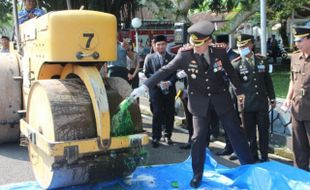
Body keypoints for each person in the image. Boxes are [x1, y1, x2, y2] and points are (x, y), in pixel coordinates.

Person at [131, 21, 254, 188]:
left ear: (208, 41)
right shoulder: (185, 55)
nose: (195, 48)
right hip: (199, 101)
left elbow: (231, 72)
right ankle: (197, 174)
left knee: (235, 132)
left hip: (220, 98)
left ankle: (249, 168)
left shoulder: (219, 52)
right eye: (193, 44)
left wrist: (239, 91)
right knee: (198, 137)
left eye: (199, 44)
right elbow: (165, 70)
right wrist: (145, 86)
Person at [232, 34, 276, 162]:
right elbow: (235, 86)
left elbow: (267, 80)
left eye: (244, 46)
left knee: (263, 131)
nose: (242, 49)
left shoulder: (262, 60)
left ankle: (264, 156)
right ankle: (253, 157)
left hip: (261, 103)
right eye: (240, 47)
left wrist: (272, 97)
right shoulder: (236, 64)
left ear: (251, 45)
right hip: (246, 105)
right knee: (249, 133)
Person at [282, 22, 310, 171]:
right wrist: (287, 98)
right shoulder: (295, 57)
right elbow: (293, 79)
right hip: (297, 108)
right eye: (296, 41)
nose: (297, 44)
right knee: (299, 145)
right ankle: (300, 175)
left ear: (309, 39)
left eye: (300, 40)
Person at [143, 35, 177, 148]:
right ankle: (156, 137)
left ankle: (168, 135)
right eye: (158, 45)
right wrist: (156, 81)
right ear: (155, 46)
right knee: (157, 112)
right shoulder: (149, 57)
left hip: (169, 89)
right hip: (155, 89)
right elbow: (146, 73)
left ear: (166, 45)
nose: (160, 47)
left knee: (169, 112)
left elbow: (176, 73)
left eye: (163, 44)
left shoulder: (173, 57)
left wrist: (170, 82)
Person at [214, 34, 240, 160]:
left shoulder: (235, 57)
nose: (217, 47)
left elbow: (234, 77)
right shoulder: (217, 57)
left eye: (219, 45)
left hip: (233, 94)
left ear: (226, 45)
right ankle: (228, 147)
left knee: (235, 122)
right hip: (221, 93)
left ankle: (237, 149)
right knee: (225, 122)